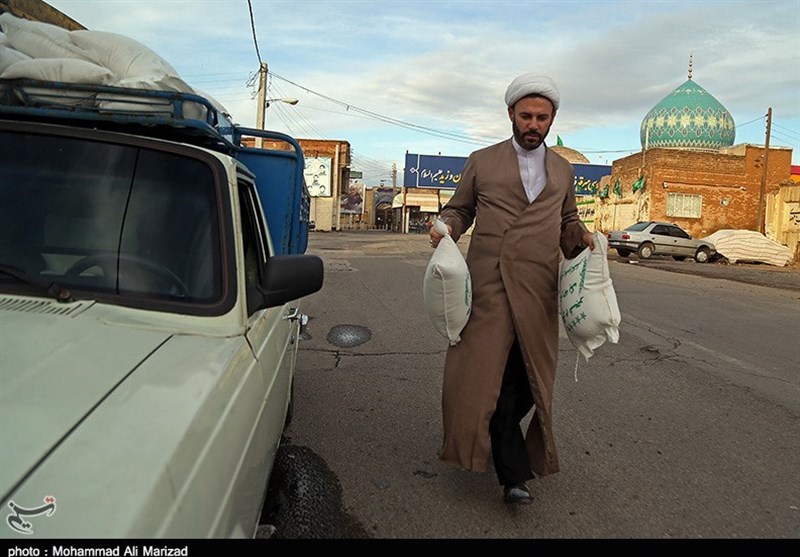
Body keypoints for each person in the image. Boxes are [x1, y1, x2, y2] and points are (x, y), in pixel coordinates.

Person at [429, 73, 595, 505]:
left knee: (528, 379)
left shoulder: (563, 169)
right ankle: (513, 474)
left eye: (542, 117)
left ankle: (497, 440)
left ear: (552, 119)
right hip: (490, 285)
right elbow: (460, 208)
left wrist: (583, 238)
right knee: (483, 375)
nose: (533, 124)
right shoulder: (482, 161)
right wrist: (446, 226)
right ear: (510, 115)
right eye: (526, 116)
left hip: (538, 289)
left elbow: (567, 222)